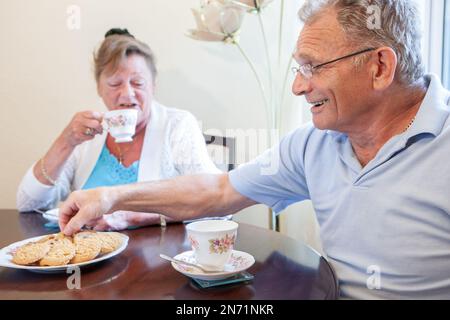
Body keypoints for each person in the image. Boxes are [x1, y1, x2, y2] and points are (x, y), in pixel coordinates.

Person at [59, 0, 450, 299]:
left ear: (379, 67)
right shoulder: (312, 144)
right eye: (299, 68)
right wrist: (110, 196)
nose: (298, 86)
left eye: (313, 67)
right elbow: (218, 191)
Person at [16, 28, 220, 230]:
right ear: (99, 87)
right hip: (90, 257)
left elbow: (217, 201)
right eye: (115, 84)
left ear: (153, 85)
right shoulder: (87, 134)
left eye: (138, 83)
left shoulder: (177, 125)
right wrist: (67, 140)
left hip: (156, 258)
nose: (127, 93)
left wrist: (134, 217)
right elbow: (28, 204)